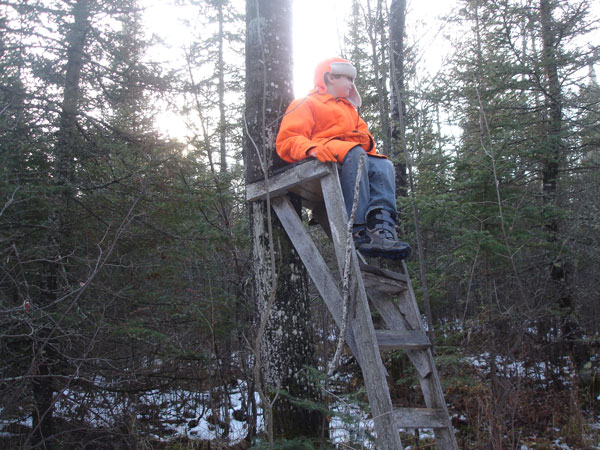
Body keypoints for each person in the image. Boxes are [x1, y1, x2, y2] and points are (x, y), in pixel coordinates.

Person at [275, 57, 411, 260]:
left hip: (351, 153)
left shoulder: (350, 110)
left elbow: (367, 142)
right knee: (356, 153)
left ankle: (381, 228)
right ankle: (357, 228)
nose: (351, 84)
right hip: (325, 151)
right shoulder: (306, 103)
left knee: (384, 165)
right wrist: (311, 149)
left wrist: (363, 140)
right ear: (330, 77)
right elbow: (288, 139)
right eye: (347, 78)